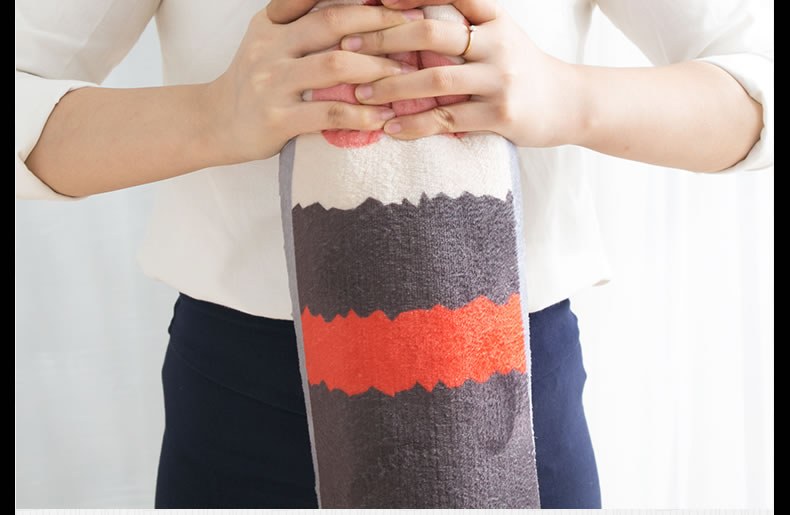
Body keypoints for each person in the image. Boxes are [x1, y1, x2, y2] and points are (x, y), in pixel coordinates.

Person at [15, 0, 772, 508]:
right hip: (244, 397)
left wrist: (567, 96)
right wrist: (215, 114)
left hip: (513, 387)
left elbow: (757, 76)